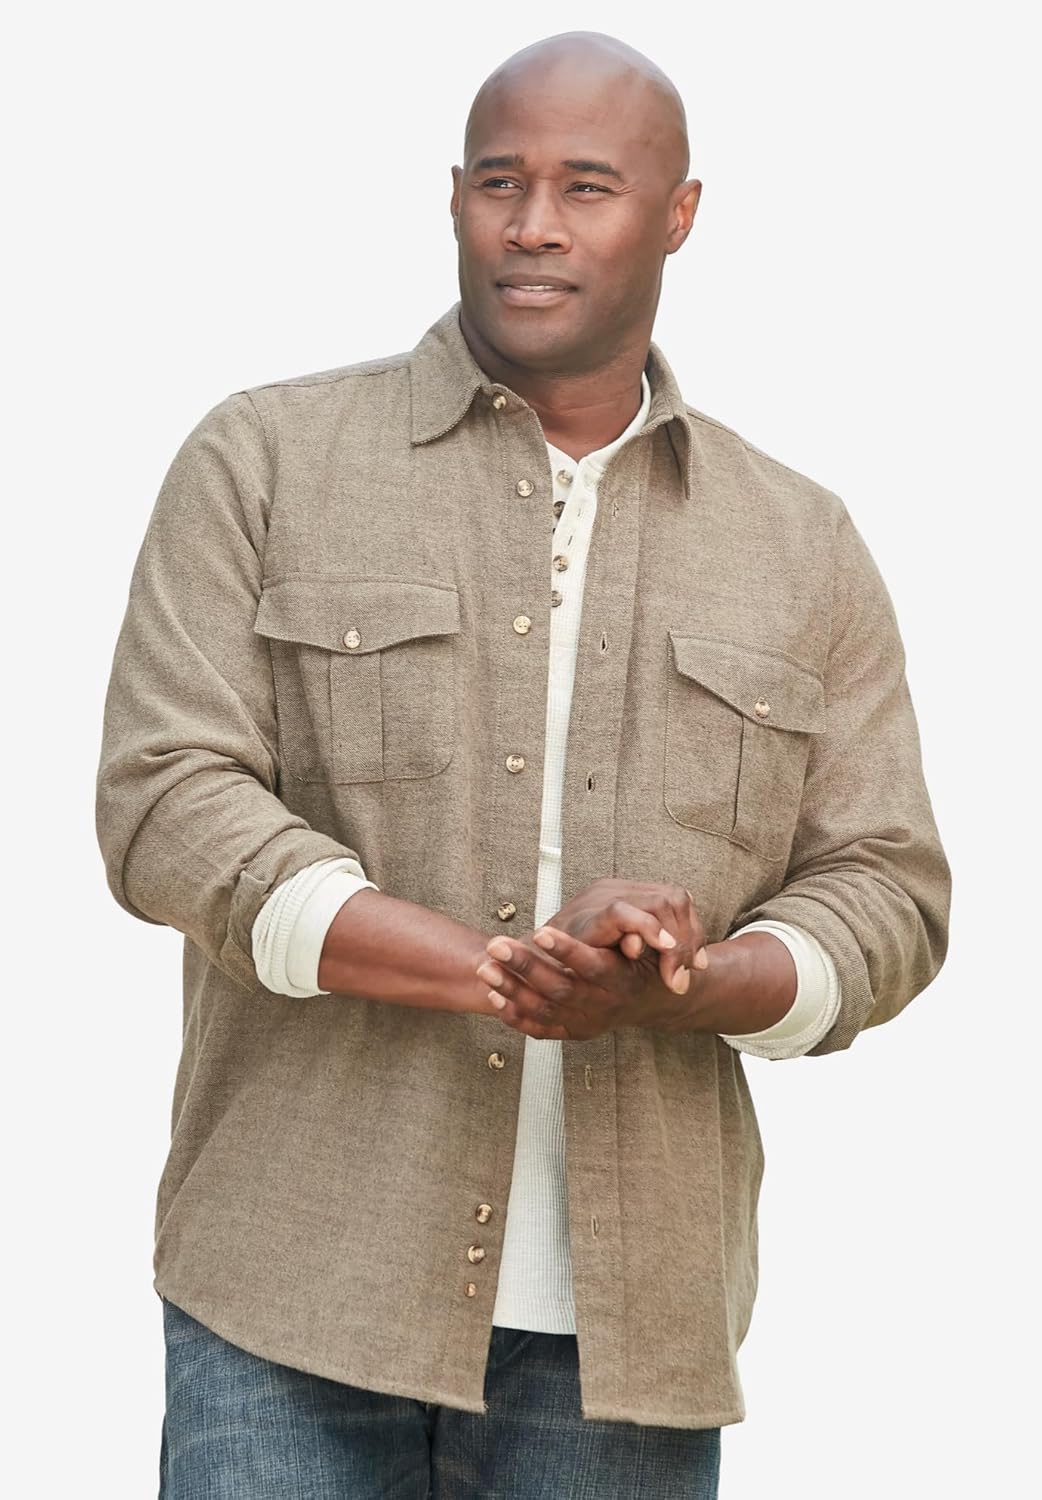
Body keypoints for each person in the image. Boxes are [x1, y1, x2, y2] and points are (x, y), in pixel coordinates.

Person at [96, 28, 951, 1500]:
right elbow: (166, 802)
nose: (534, 224)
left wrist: (687, 982)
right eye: (501, 181)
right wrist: (485, 970)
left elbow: (887, 892)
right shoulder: (263, 460)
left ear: (678, 214)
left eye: (587, 187)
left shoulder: (800, 544)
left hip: (628, 1340)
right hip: (291, 1290)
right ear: (453, 198)